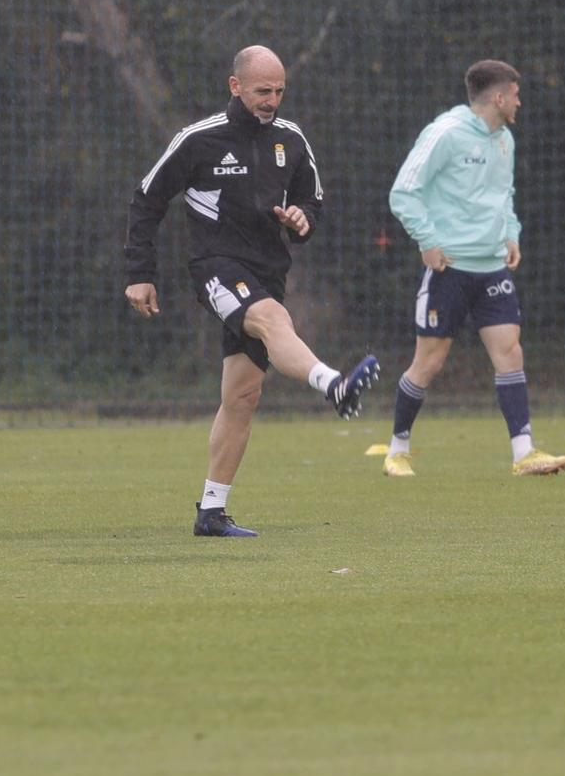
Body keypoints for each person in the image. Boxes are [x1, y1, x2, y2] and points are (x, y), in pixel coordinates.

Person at [125, 45, 380, 538]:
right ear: (235, 86)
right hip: (216, 268)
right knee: (272, 321)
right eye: (263, 90)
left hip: (268, 271)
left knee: (243, 395)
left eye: (280, 90)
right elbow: (146, 199)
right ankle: (333, 385)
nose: (272, 100)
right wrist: (141, 273)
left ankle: (212, 512)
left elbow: (312, 201)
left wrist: (303, 219)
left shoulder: (291, 139)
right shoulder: (199, 140)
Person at [380, 59, 565, 478]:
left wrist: (512, 233)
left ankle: (524, 453)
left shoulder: (505, 139)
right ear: (499, 97)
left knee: (510, 353)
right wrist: (428, 242)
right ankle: (397, 449)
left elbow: (503, 195)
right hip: (449, 269)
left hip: (491, 270)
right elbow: (403, 193)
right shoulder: (445, 134)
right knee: (429, 363)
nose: (520, 101)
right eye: (516, 94)